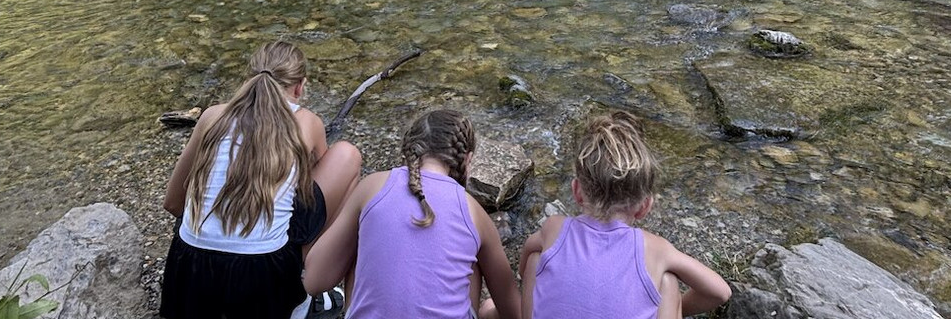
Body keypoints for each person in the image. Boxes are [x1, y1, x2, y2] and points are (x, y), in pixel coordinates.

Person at [160, 40, 362, 319]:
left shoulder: (212, 116)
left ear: (248, 78)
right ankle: (304, 286)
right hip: (263, 277)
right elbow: (314, 197)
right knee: (347, 156)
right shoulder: (306, 121)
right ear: (300, 87)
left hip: (188, 275)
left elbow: (172, 203)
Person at [303, 109, 522, 319]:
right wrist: (489, 312)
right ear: (467, 159)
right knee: (471, 258)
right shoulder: (474, 212)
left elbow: (313, 282)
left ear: (408, 151)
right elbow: (514, 312)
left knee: (363, 234)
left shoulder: (372, 186)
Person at [520, 111, 731, 319]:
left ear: (577, 191)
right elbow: (720, 292)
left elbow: (529, 249)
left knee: (536, 260)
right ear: (645, 206)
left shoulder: (554, 227)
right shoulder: (655, 249)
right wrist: (673, 306)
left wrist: (526, 275)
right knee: (667, 281)